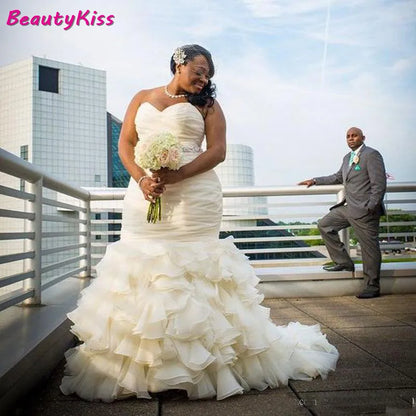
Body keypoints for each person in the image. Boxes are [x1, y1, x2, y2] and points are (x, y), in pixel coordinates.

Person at [60, 44, 339, 402]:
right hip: (144, 195)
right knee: (142, 268)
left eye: (208, 74)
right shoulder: (141, 97)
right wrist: (142, 179)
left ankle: (203, 367)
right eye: (199, 69)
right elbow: (126, 145)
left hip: (195, 197)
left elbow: (217, 151)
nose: (204, 78)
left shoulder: (208, 104)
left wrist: (177, 177)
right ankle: (146, 366)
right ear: (180, 64)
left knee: (192, 271)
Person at [299, 127, 386, 299]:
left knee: (369, 250)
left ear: (363, 137)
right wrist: (315, 181)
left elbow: (379, 185)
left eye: (354, 136)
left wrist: (370, 207)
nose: (351, 139)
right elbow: (337, 177)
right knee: (325, 225)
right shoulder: (347, 158)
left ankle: (372, 286)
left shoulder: (372, 155)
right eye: (348, 136)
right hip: (348, 208)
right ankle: (344, 263)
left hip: (365, 211)